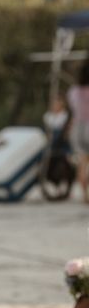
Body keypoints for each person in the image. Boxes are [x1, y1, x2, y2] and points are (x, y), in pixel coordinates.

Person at [67, 60, 89, 203]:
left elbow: (73, 111)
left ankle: (85, 195)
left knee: (82, 163)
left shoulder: (73, 91)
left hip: (77, 128)